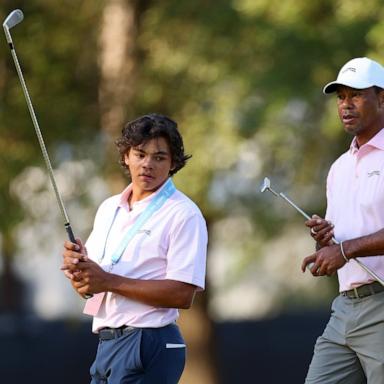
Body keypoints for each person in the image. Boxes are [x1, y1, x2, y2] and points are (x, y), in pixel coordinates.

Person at [61, 113, 208, 384]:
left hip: (150, 341)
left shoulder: (183, 213)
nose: (147, 164)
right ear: (126, 156)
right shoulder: (108, 208)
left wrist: (108, 280)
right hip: (107, 343)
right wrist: (80, 272)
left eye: (159, 157)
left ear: (173, 163)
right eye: (140, 154)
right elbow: (90, 289)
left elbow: (182, 294)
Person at [301, 57, 384, 384]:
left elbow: (346, 249)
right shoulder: (339, 168)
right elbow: (339, 245)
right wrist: (324, 241)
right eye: (341, 97)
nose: (346, 105)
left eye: (356, 95)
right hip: (345, 307)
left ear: (382, 98)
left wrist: (345, 250)